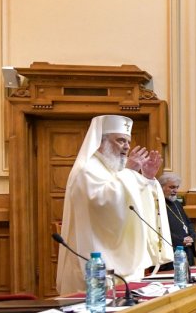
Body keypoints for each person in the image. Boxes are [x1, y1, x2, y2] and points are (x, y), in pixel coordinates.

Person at [57, 115, 171, 294]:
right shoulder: (87, 170)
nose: (126, 146)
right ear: (101, 142)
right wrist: (130, 173)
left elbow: (134, 205)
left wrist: (147, 179)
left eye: (128, 141)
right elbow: (103, 204)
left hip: (122, 266)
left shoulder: (115, 170)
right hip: (94, 265)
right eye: (120, 140)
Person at [159, 172, 196, 267]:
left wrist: (191, 237)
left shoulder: (177, 203)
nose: (175, 190)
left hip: (187, 251)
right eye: (172, 187)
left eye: (177, 187)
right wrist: (181, 241)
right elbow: (159, 230)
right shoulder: (158, 205)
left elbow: (188, 223)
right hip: (171, 254)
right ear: (161, 187)